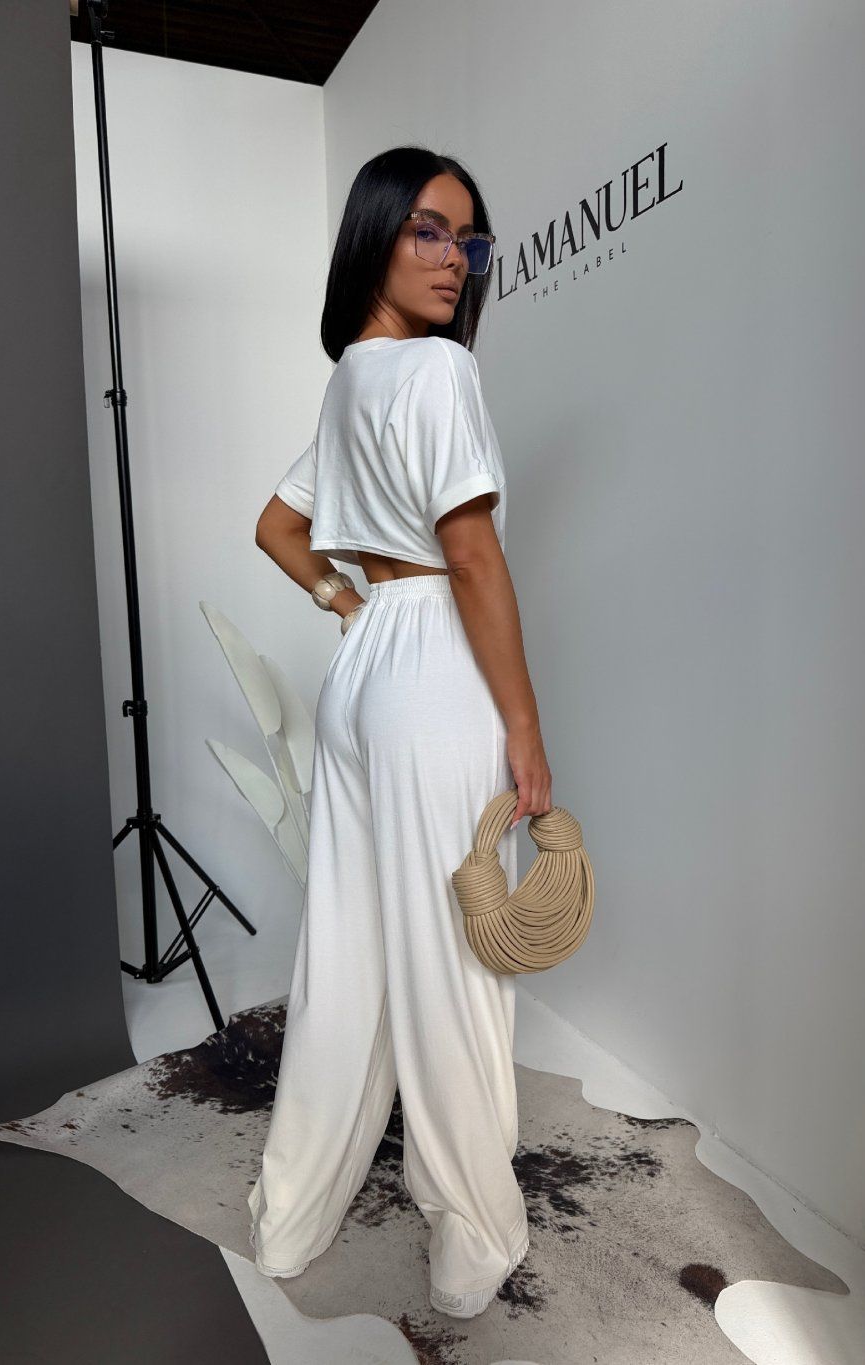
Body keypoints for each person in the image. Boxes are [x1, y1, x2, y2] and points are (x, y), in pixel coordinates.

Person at [248, 145, 552, 1320]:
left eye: (466, 239)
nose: (453, 258)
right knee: (457, 963)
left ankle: (289, 1216)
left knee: (348, 952)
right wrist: (524, 727)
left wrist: (343, 602)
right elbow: (470, 557)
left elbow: (277, 527)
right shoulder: (438, 369)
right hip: (431, 669)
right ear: (373, 233)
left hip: (364, 669)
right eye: (427, 228)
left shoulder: (350, 383)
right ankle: (472, 1233)